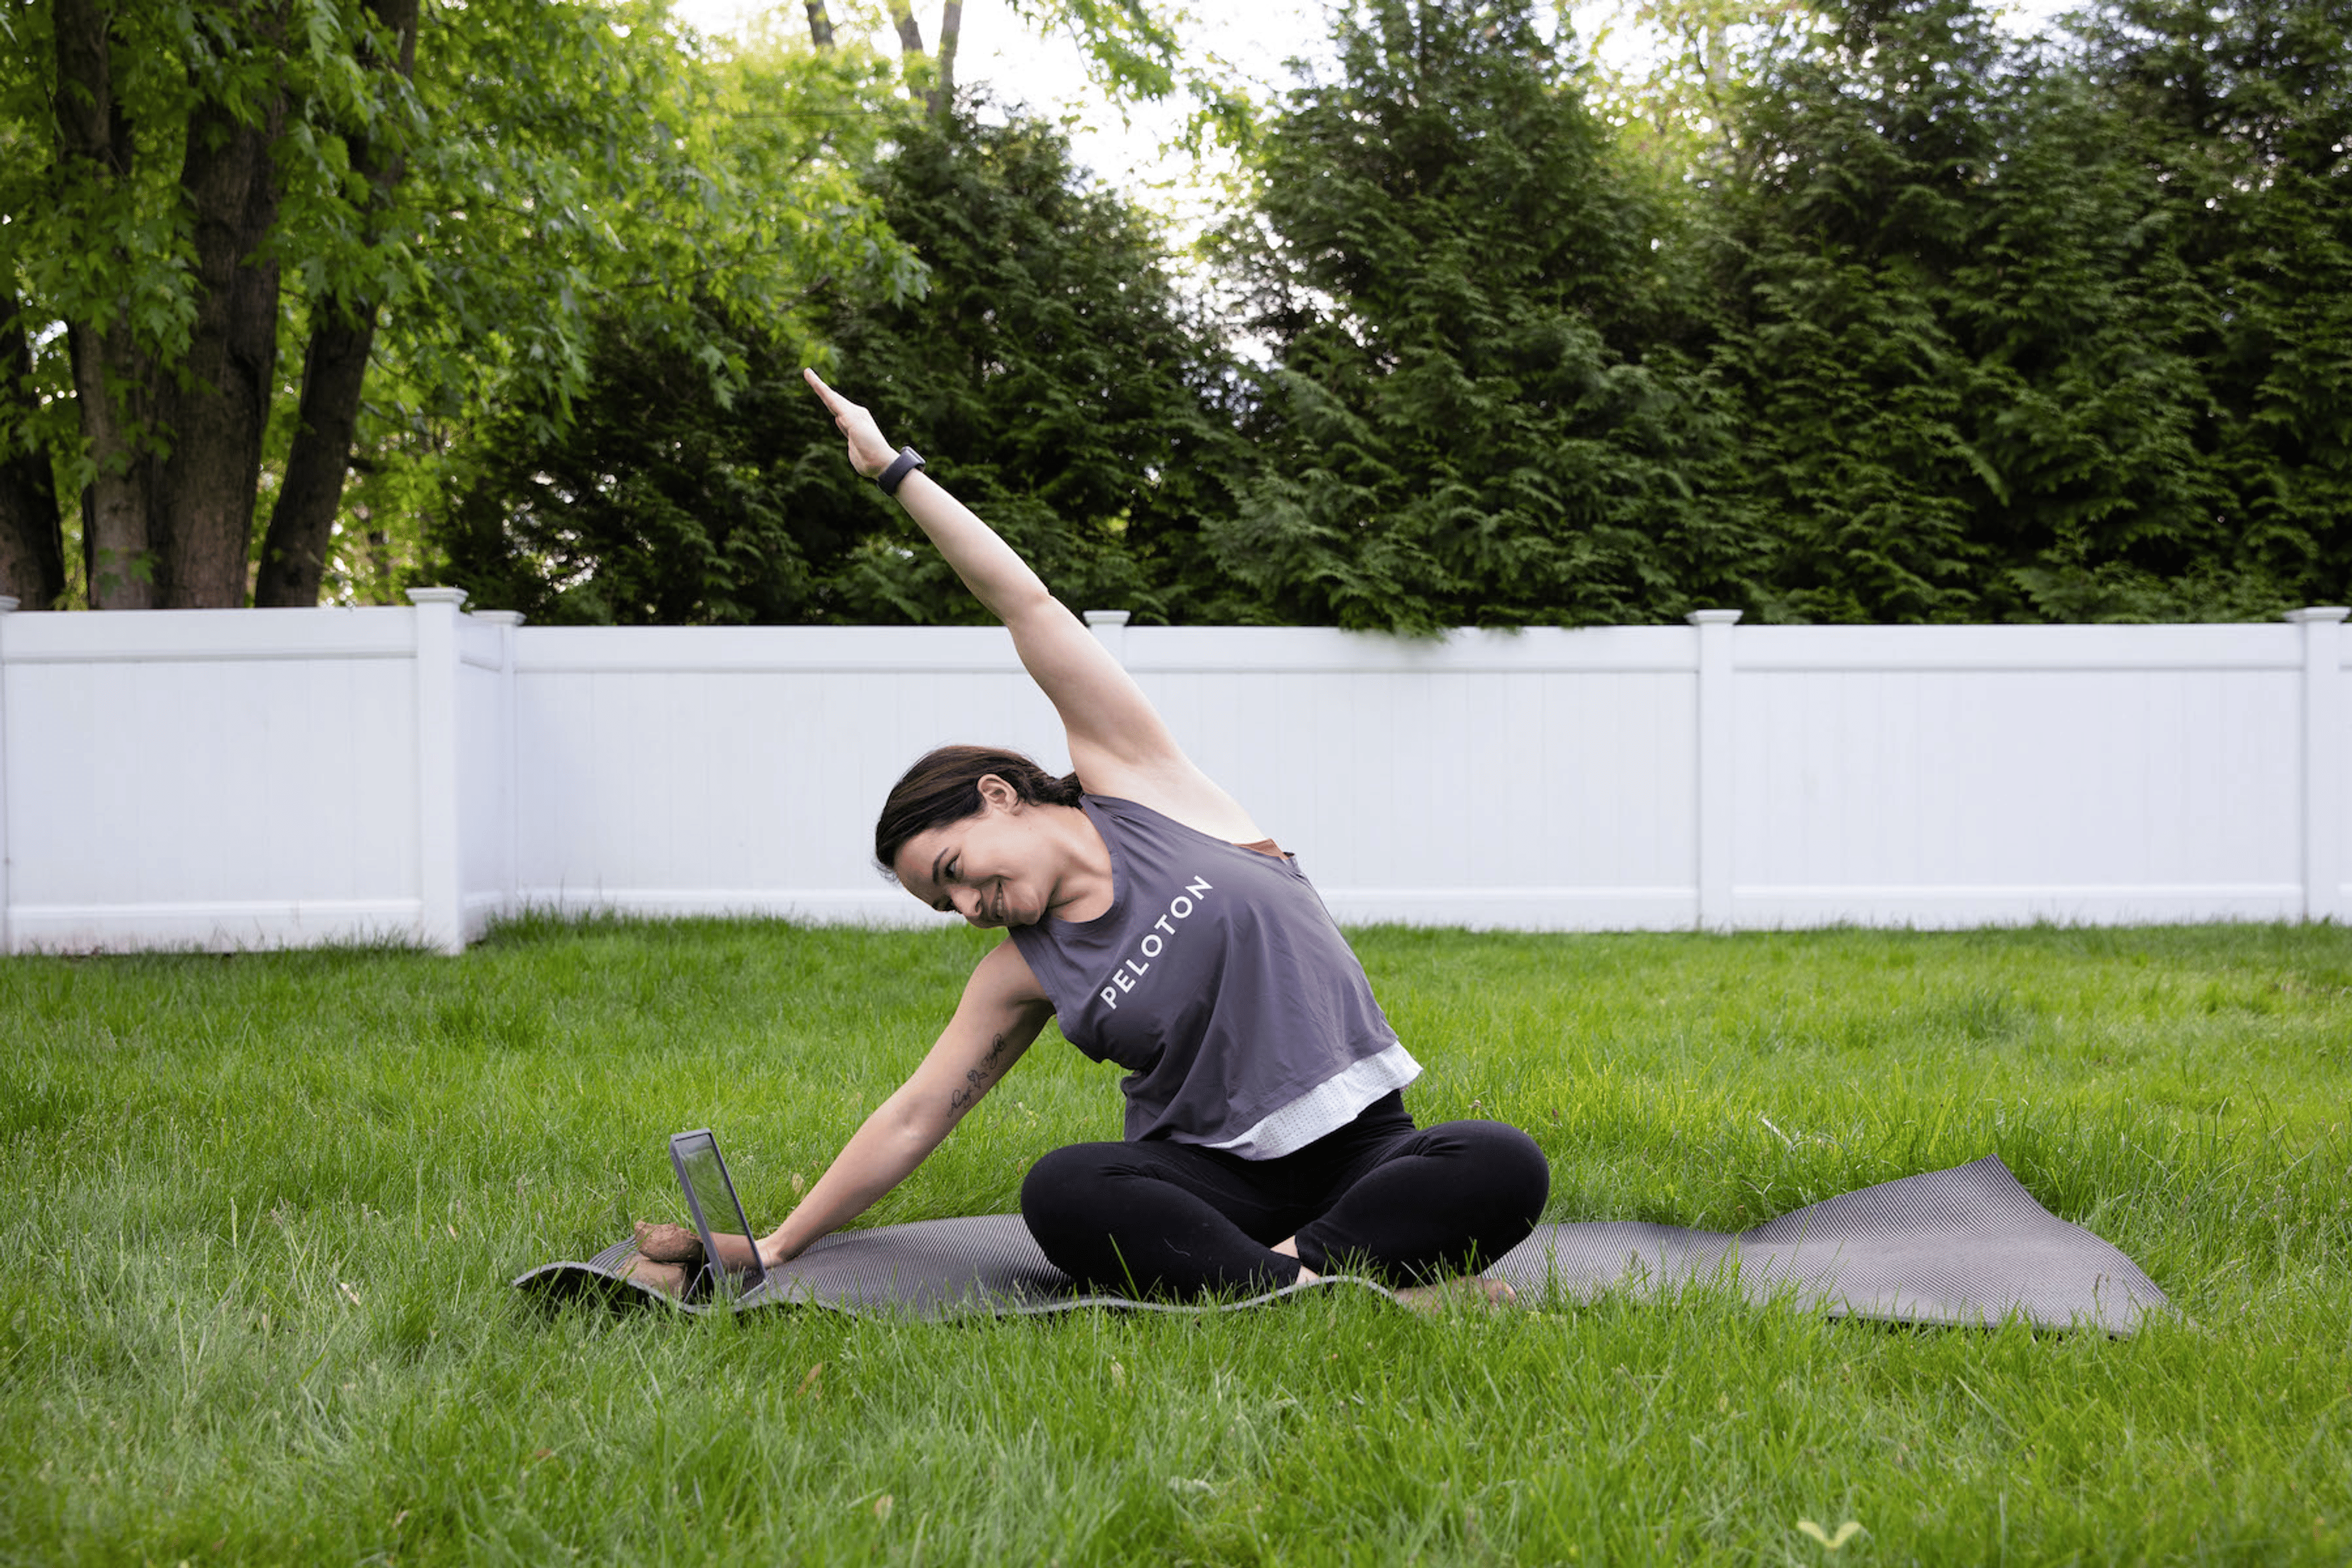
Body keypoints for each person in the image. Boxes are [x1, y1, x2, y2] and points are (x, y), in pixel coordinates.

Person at [626, 369, 1550, 1306]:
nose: (966, 906)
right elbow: (913, 1118)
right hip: (1207, 1184)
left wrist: (894, 470)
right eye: (943, 903)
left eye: (953, 871)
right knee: (1064, 1188)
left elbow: (1025, 605)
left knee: (1499, 1160)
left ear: (997, 795)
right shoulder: (1021, 971)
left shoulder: (1143, 785)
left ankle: (1277, 1283)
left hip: (1364, 1145)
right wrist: (778, 1244)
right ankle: (1345, 1286)